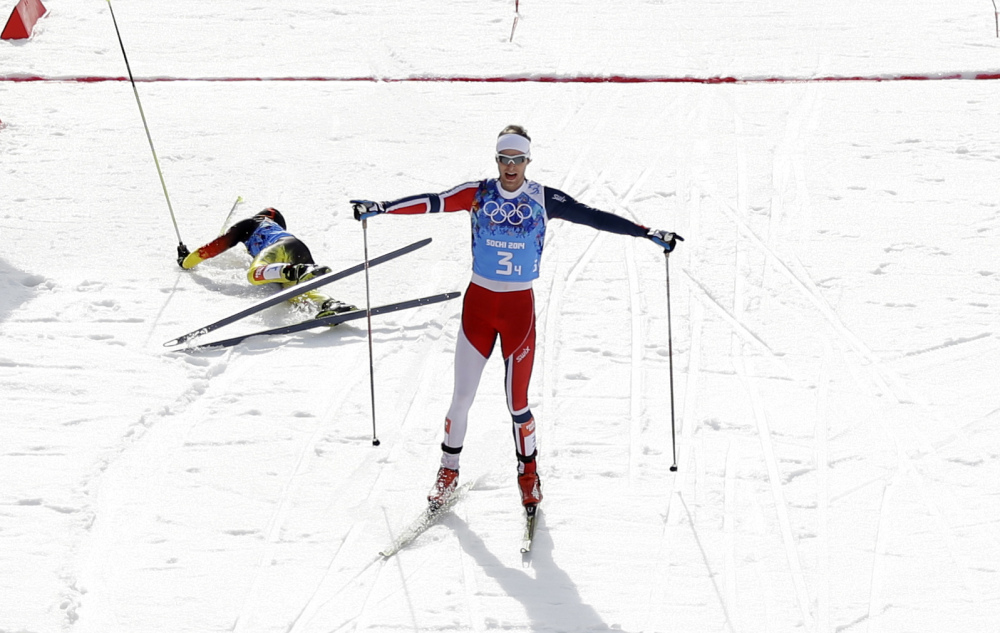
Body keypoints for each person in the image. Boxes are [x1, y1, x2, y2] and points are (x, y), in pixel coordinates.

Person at [351, 125, 683, 510]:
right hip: (478, 306)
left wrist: (646, 233)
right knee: (461, 398)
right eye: (505, 159)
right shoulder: (477, 193)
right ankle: (448, 471)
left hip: (517, 311)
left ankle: (528, 476)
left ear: (528, 160)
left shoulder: (543, 198)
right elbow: (433, 201)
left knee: (517, 403)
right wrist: (381, 207)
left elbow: (594, 217)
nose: (511, 167)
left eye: (518, 159)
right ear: (497, 160)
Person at [176, 207, 356, 318]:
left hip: (280, 248)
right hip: (299, 249)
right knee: (294, 293)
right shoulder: (275, 230)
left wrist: (186, 261)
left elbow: (214, 247)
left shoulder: (250, 224)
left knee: (253, 274)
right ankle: (331, 304)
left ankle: (295, 271)